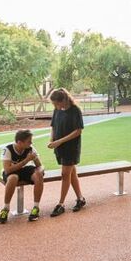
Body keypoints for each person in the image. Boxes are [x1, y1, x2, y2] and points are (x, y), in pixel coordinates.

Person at [47, 88, 85, 217]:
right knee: (71, 174)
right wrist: (52, 139)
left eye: (56, 103)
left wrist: (60, 141)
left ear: (63, 100)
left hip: (71, 148)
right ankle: (80, 199)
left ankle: (61, 204)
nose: (55, 106)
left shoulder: (75, 111)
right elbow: (53, 126)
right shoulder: (57, 110)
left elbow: (78, 131)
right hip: (60, 147)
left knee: (65, 174)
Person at [0, 130, 45, 223]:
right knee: (13, 178)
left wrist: (40, 172)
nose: (31, 143)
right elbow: (8, 170)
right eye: (29, 141)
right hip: (12, 171)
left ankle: (36, 208)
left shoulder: (30, 149)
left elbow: (40, 165)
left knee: (38, 175)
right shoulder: (8, 149)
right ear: (19, 142)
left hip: (25, 170)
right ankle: (5, 209)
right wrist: (26, 160)